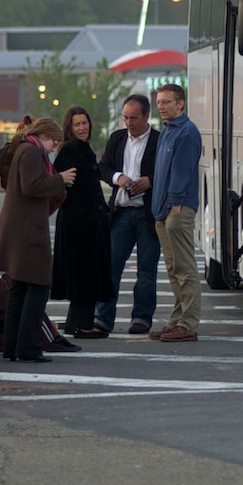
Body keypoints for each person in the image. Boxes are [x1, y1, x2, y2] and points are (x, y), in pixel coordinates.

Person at [0, 117, 76, 363]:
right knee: (39, 286)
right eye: (53, 143)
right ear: (44, 136)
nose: (53, 148)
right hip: (27, 229)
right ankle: (28, 347)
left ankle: (12, 347)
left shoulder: (23, 148)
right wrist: (60, 179)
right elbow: (31, 186)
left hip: (18, 226)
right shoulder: (31, 151)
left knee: (19, 287)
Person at [95, 93, 161, 335]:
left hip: (147, 213)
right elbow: (103, 168)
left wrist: (149, 181)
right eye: (125, 118)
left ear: (146, 116)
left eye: (134, 118)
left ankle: (141, 318)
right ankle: (103, 317)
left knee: (146, 270)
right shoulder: (117, 138)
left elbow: (168, 172)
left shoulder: (159, 140)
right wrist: (118, 178)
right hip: (121, 212)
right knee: (111, 266)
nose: (129, 123)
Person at [51, 106, 114, 337]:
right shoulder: (70, 150)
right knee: (86, 274)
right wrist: (89, 215)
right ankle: (84, 325)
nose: (82, 127)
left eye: (84, 123)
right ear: (69, 127)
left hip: (85, 222)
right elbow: (66, 188)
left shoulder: (81, 148)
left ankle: (74, 322)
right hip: (80, 224)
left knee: (83, 274)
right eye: (77, 124)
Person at [149, 83, 203, 343]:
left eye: (166, 102)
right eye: (159, 102)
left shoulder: (187, 132)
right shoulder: (167, 131)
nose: (161, 106)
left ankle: (188, 324)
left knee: (184, 268)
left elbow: (181, 173)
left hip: (177, 209)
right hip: (162, 211)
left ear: (180, 103)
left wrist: (176, 204)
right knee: (173, 269)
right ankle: (176, 321)